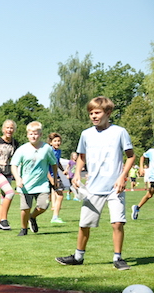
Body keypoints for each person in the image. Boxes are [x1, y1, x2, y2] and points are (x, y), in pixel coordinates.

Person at [55, 96, 135, 270]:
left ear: (108, 113)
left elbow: (131, 156)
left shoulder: (120, 132)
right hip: (93, 187)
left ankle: (117, 258)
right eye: (91, 113)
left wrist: (123, 176)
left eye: (97, 112)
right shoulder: (86, 134)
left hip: (115, 187)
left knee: (117, 223)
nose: (93, 116)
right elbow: (81, 157)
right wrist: (76, 174)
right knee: (84, 224)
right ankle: (78, 257)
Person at [10, 122, 59, 236]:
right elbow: (14, 165)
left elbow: (54, 164)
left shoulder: (47, 149)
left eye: (36, 134)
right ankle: (23, 229)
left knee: (44, 205)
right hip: (25, 185)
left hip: (42, 184)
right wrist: (18, 178)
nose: (33, 136)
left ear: (40, 134)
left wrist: (55, 179)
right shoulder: (22, 149)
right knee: (25, 208)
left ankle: (32, 217)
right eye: (31, 134)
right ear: (27, 135)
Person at [131, 140, 154, 220]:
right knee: (149, 195)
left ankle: (137, 208)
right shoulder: (151, 152)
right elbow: (142, 157)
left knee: (149, 195)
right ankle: (137, 208)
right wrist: (141, 168)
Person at [47, 132, 68, 223]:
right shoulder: (48, 151)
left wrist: (63, 170)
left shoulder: (59, 151)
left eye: (59, 141)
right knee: (43, 198)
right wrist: (50, 178)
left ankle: (55, 217)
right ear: (50, 142)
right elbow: (45, 165)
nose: (57, 143)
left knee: (60, 195)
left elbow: (57, 162)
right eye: (55, 141)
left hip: (56, 176)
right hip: (47, 176)